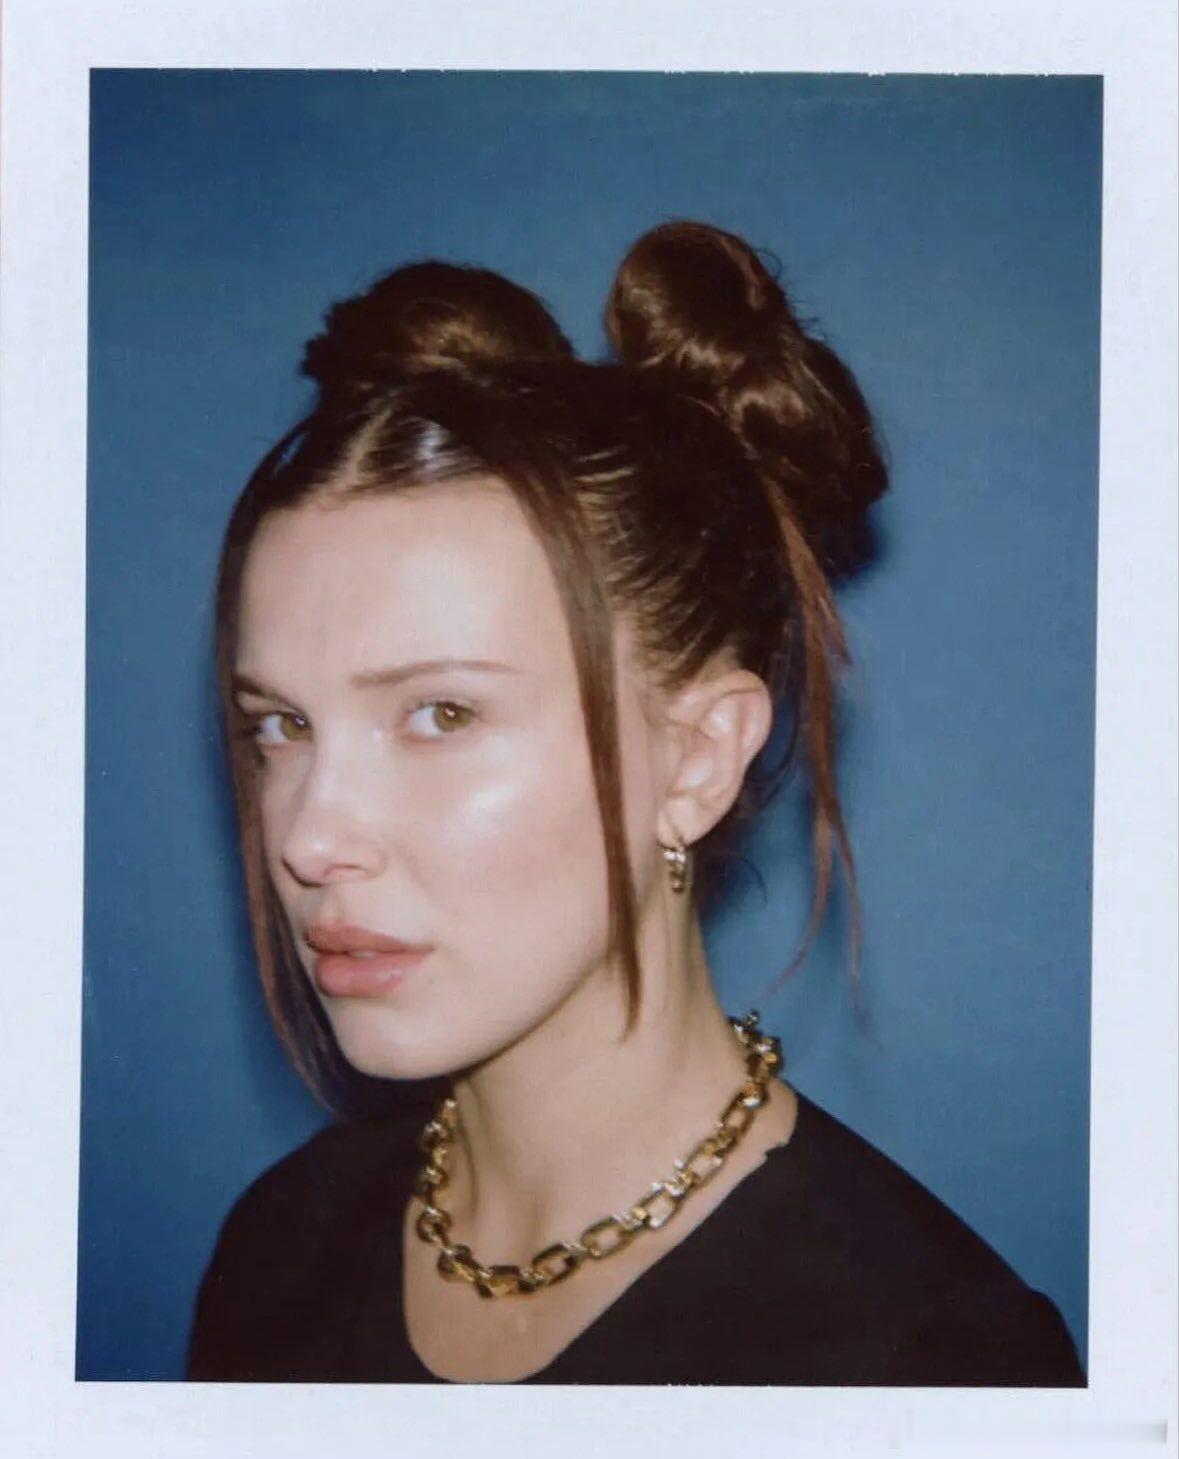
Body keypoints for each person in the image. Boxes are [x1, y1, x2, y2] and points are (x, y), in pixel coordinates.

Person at [186, 220, 1085, 1386]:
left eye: (441, 714)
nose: (310, 837)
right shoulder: (279, 1250)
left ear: (698, 759)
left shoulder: (932, 1362)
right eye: (281, 725)